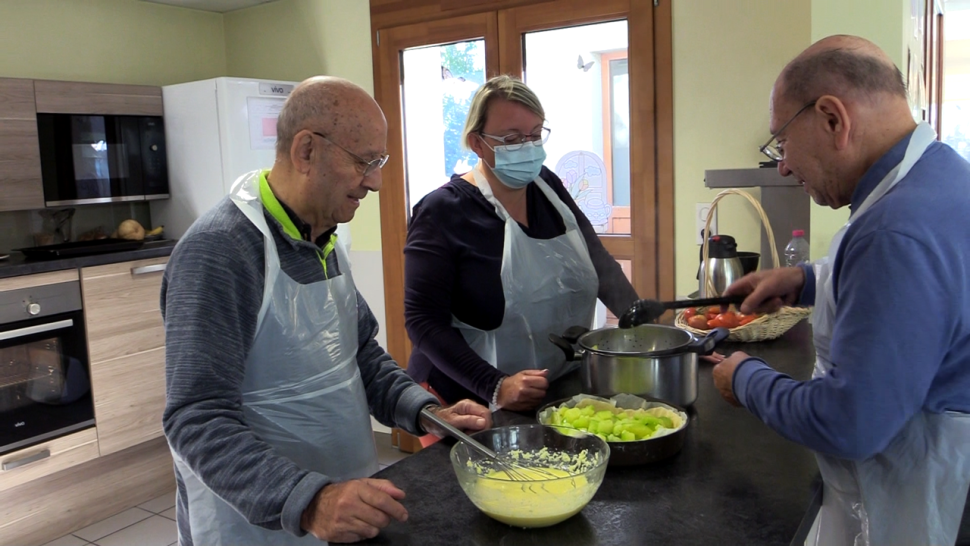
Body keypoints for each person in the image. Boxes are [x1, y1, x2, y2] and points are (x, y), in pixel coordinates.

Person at [161, 76, 492, 546]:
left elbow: (358, 355)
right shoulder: (220, 251)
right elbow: (194, 417)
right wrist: (310, 500)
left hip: (343, 503)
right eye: (364, 162)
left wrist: (427, 412)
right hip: (260, 524)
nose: (375, 182)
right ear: (306, 151)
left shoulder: (325, 234)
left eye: (380, 162)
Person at [712, 35, 970, 545]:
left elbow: (851, 424)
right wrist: (804, 279)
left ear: (833, 118)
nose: (782, 166)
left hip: (920, 488)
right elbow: (921, 290)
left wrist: (745, 379)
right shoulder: (940, 176)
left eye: (781, 142)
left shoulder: (895, 230)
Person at [403, 75, 640, 433]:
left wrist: (645, 333)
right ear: (477, 143)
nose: (528, 148)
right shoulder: (441, 212)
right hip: (465, 399)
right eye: (512, 139)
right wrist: (496, 385)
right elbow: (422, 320)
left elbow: (599, 263)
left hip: (544, 390)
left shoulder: (548, 188)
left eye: (535, 135)